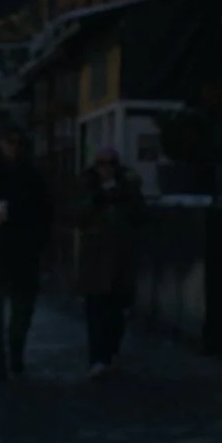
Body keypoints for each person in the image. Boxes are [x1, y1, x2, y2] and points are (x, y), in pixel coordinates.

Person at [0, 126, 51, 379]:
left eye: (17, 142)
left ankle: (15, 356)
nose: (13, 147)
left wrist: (37, 240)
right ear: (1, 142)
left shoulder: (32, 175)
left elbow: (44, 211)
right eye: (9, 141)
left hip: (23, 252)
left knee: (22, 310)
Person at [75, 144, 147, 379]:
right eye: (102, 164)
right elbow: (77, 216)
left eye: (110, 164)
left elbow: (140, 215)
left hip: (120, 260)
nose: (106, 169)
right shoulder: (86, 186)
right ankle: (98, 357)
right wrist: (95, 201)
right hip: (95, 259)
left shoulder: (128, 187)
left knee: (116, 313)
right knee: (95, 312)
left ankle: (110, 353)